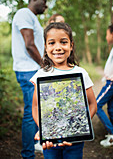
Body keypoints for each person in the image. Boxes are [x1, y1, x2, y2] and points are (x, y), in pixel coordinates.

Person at [30, 22, 97, 159]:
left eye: (63, 42)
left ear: (71, 46)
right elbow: (36, 106)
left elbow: (92, 104)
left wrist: (78, 128)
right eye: (52, 43)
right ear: (46, 47)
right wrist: (44, 130)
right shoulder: (41, 74)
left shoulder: (81, 73)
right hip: (51, 139)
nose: (58, 47)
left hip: (75, 140)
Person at [11, 0, 47, 159]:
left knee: (36, 110)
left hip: (32, 70)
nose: (45, 6)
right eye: (43, 1)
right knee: (30, 112)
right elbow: (29, 44)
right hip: (28, 70)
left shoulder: (32, 17)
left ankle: (33, 146)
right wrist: (43, 65)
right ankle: (28, 155)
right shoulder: (24, 13)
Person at [96, 23, 113, 147]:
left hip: (111, 83)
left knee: (96, 105)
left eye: (107, 34)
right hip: (109, 81)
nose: (106, 37)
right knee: (111, 109)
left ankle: (112, 133)